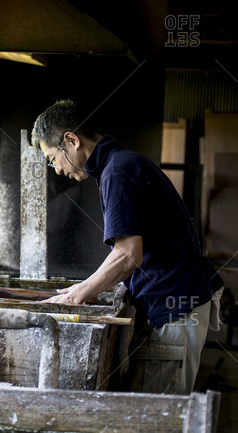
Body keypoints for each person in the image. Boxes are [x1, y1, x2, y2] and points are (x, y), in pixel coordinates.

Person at [31, 99, 222, 394]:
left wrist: (80, 293)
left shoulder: (117, 172)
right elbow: (124, 251)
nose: (55, 169)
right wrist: (84, 287)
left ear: (71, 140)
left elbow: (128, 255)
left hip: (173, 307)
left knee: (157, 419)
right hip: (176, 304)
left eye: (51, 157)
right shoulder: (120, 163)